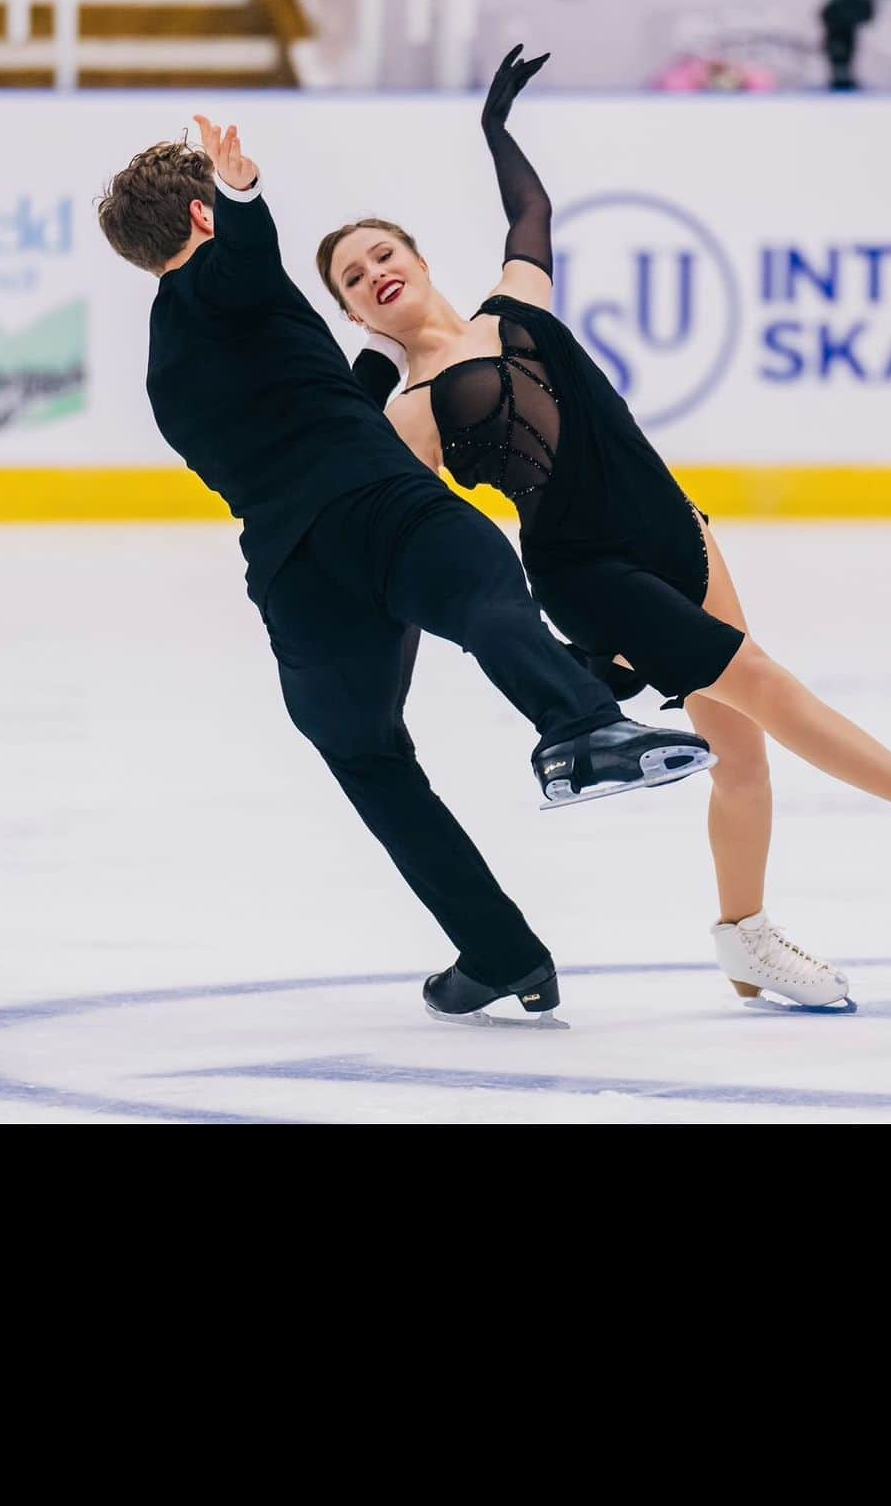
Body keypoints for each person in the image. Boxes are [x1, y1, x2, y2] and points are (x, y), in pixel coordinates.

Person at [322, 46, 891, 1012]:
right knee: (766, 683)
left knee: (741, 750)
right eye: (355, 279)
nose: (376, 275)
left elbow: (531, 216)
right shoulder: (408, 412)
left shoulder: (514, 303)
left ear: (415, 257)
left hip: (677, 528)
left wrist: (496, 135)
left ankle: (745, 940)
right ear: (355, 311)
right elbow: (382, 507)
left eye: (382, 255)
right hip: (588, 568)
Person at [97, 117, 715, 1029]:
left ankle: (500, 950)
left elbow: (309, 397)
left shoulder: (166, 367)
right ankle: (583, 725)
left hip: (296, 578)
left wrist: (384, 354)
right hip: (382, 509)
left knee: (367, 755)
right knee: (485, 593)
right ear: (197, 215)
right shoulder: (228, 272)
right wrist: (241, 193)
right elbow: (239, 266)